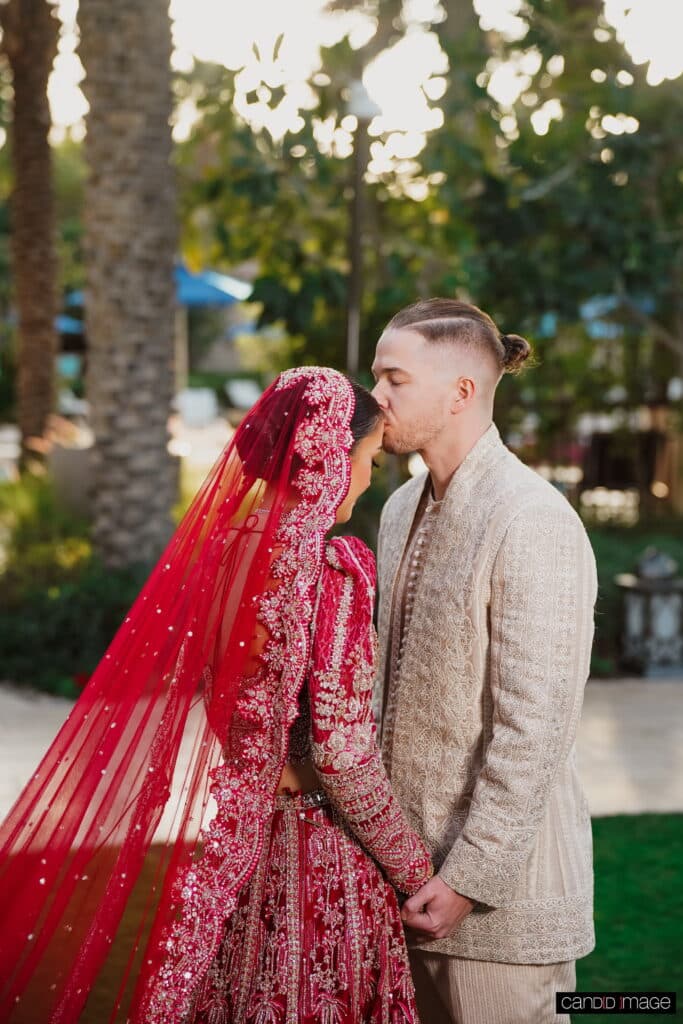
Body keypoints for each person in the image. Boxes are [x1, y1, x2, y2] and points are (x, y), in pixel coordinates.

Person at [0, 367, 432, 1024]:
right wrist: (415, 868)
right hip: (317, 853)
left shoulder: (226, 552)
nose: (371, 477)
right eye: (369, 458)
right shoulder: (330, 574)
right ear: (330, 458)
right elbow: (343, 756)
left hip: (243, 847)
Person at [371, 300, 598, 1024]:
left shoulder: (532, 518)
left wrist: (468, 878)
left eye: (393, 378)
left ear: (460, 392)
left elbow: (534, 728)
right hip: (401, 883)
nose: (374, 395)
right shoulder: (399, 507)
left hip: (501, 899)